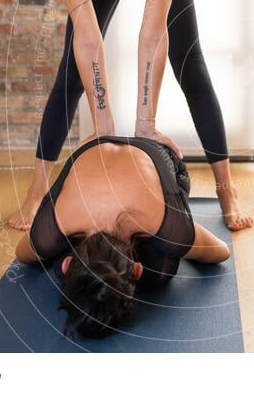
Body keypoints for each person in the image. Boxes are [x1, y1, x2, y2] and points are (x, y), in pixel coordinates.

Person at [9, 0, 253, 231]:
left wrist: (146, 126)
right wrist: (103, 124)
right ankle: (36, 192)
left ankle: (226, 191)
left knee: (190, 64)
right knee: (70, 75)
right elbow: (90, 39)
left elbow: (151, 36)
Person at [14, 134, 231, 338]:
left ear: (137, 269)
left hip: (154, 152)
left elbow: (221, 252)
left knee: (160, 270)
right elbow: (24, 254)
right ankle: (96, 275)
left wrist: (183, 234)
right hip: (95, 148)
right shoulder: (52, 227)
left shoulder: (169, 226)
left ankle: (100, 275)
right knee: (159, 267)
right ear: (136, 269)